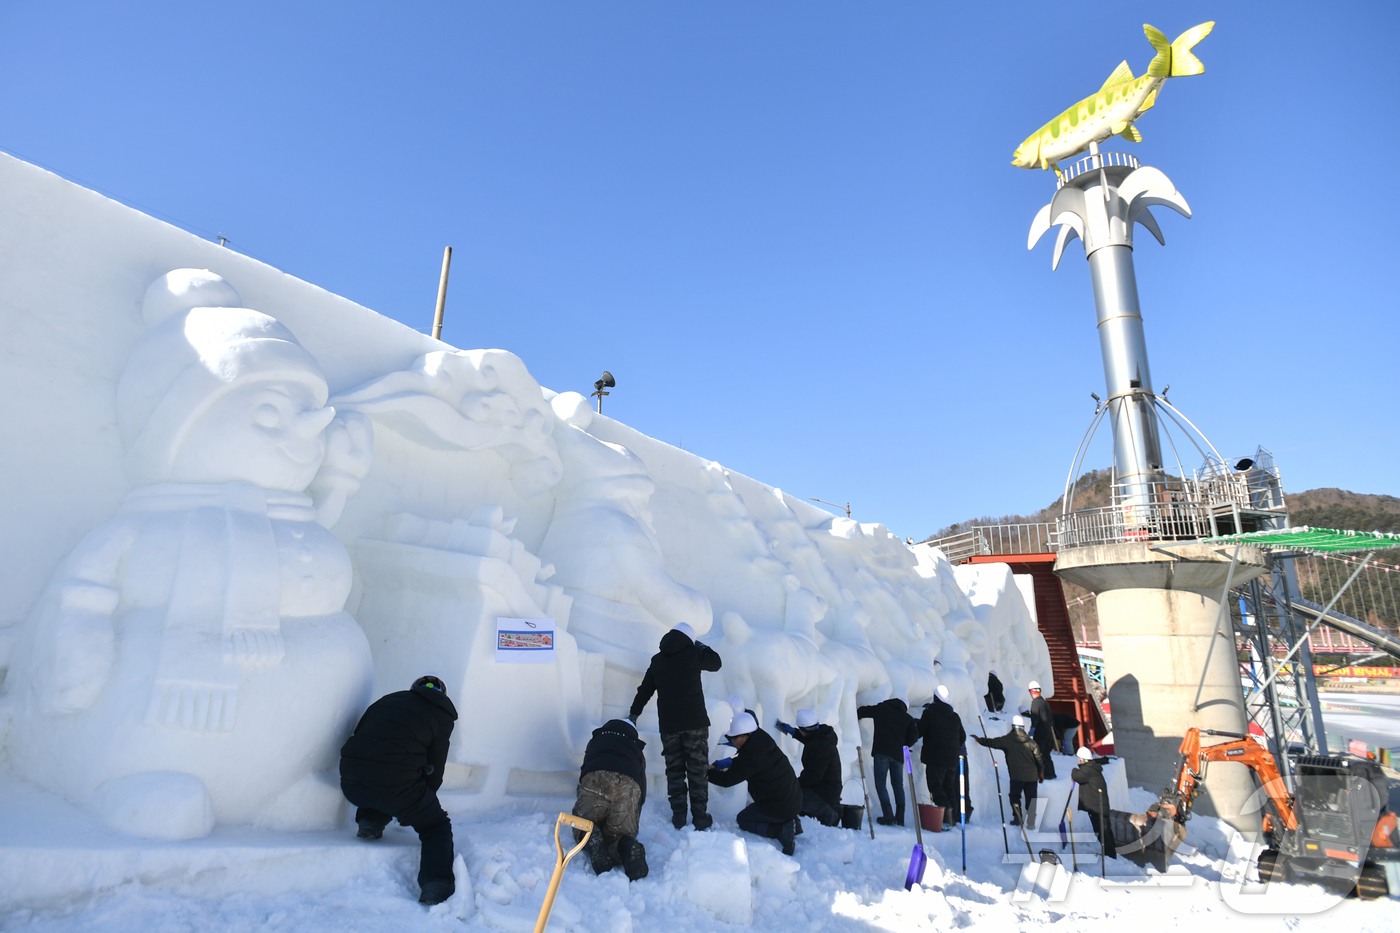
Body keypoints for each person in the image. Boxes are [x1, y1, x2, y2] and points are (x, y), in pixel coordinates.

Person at [340, 675, 459, 906]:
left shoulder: (387, 700)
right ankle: (436, 884)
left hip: (351, 782)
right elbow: (436, 768)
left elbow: (365, 738)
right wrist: (420, 804)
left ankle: (370, 820)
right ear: (442, 696)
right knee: (436, 826)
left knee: (381, 773)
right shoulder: (440, 715)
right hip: (394, 788)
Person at [629, 622, 723, 830]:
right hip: (695, 724)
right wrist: (702, 647)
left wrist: (634, 713)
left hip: (669, 726)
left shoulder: (658, 660)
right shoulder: (692, 654)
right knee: (697, 770)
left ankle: (679, 816)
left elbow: (645, 690)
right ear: (690, 639)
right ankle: (700, 817)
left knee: (675, 770)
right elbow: (716, 663)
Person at [708, 712, 803, 855]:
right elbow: (747, 762)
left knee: (744, 819)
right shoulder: (761, 740)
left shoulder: (752, 755)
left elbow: (727, 780)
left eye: (734, 738)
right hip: (793, 800)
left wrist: (704, 773)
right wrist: (727, 763)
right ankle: (789, 819)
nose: (732, 742)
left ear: (744, 736)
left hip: (780, 804)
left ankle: (779, 829)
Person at [573, 718, 650, 880]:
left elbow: (584, 769)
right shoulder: (635, 748)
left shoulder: (597, 739)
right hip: (627, 785)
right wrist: (633, 813)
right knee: (619, 834)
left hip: (595, 778)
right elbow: (642, 787)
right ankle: (625, 845)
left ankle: (591, 835)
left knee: (581, 822)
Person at [857, 697, 919, 826]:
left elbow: (863, 711)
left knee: (881, 783)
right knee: (898, 785)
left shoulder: (882, 709)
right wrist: (905, 743)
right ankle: (900, 817)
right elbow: (914, 736)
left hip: (882, 751)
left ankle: (888, 814)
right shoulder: (907, 718)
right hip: (898, 755)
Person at [973, 715, 1043, 828]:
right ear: (1023, 727)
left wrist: (979, 740)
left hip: (1016, 776)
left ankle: (1017, 818)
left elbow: (993, 743)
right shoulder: (1032, 743)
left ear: (1012, 726)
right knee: (1031, 799)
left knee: (1015, 796)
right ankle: (1031, 822)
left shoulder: (1007, 740)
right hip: (1032, 776)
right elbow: (1039, 759)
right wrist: (1041, 772)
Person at [776, 708, 842, 827]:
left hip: (825, 792)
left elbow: (812, 777)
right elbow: (810, 739)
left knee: (791, 798)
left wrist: (793, 785)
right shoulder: (822, 735)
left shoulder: (821, 747)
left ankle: (827, 813)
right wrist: (793, 732)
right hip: (825, 787)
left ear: (803, 729)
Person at [918, 685, 965, 830]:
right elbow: (962, 737)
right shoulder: (955, 717)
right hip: (952, 760)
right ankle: (954, 818)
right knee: (949, 788)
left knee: (936, 788)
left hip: (935, 759)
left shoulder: (930, 713)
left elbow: (919, 731)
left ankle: (944, 820)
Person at [1072, 747, 1117, 859]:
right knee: (1104, 830)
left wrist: (1074, 771)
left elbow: (1077, 776)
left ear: (1082, 759)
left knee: (1102, 831)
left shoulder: (1088, 770)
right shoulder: (1091, 767)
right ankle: (1110, 853)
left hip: (1097, 807)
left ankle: (1109, 854)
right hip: (1099, 806)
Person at [1027, 681, 1057, 780]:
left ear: (1031, 692)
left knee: (1040, 753)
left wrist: (1032, 729)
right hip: (1048, 730)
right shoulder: (1045, 702)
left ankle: (1046, 774)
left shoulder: (1035, 703)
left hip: (1041, 731)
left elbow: (1035, 717)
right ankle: (1052, 773)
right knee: (1047, 754)